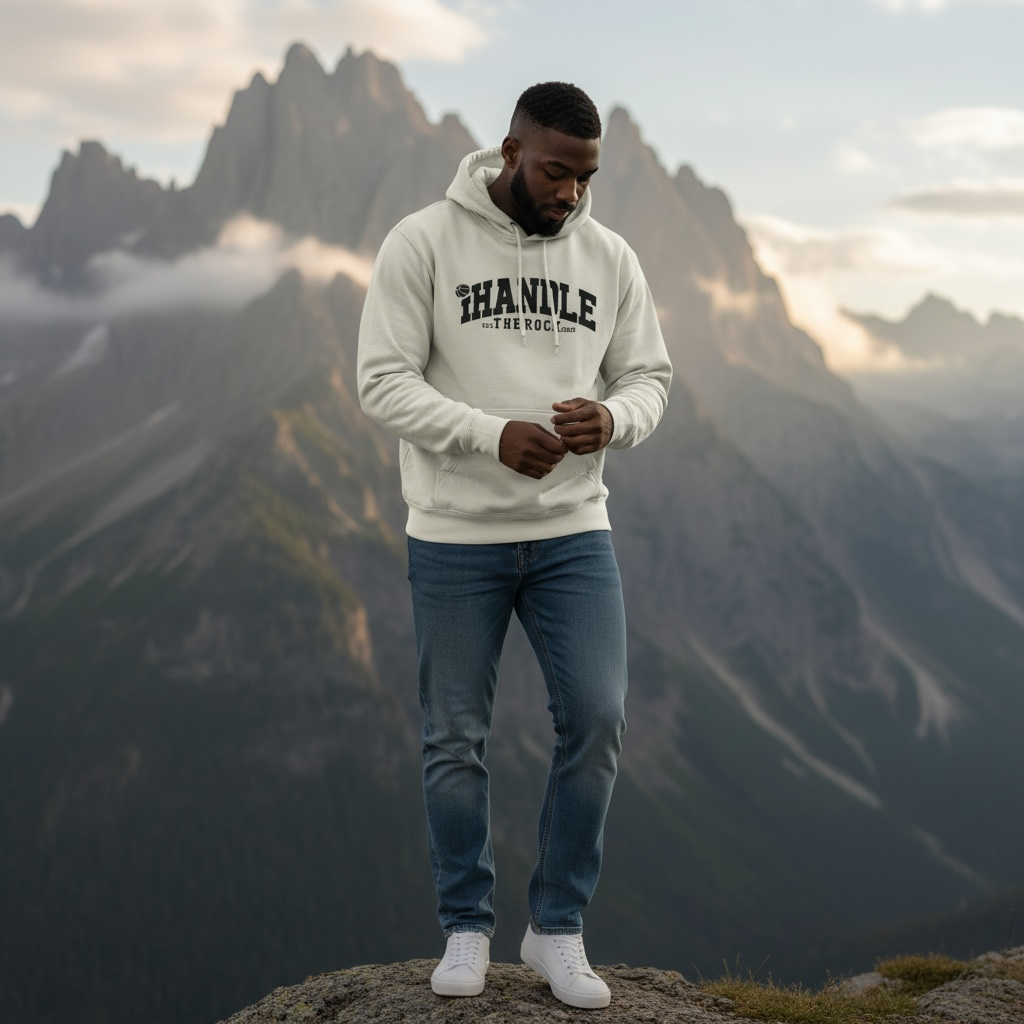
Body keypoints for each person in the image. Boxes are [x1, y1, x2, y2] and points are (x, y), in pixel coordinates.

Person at [357, 81, 671, 1010]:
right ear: (508, 151)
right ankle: (465, 925)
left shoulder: (610, 257)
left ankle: (557, 930)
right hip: (455, 537)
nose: (571, 192)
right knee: (454, 735)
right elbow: (381, 383)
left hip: (575, 532)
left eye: (586, 176)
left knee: (599, 718)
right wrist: (487, 433)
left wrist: (612, 418)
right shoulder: (421, 242)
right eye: (554, 171)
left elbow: (651, 376)